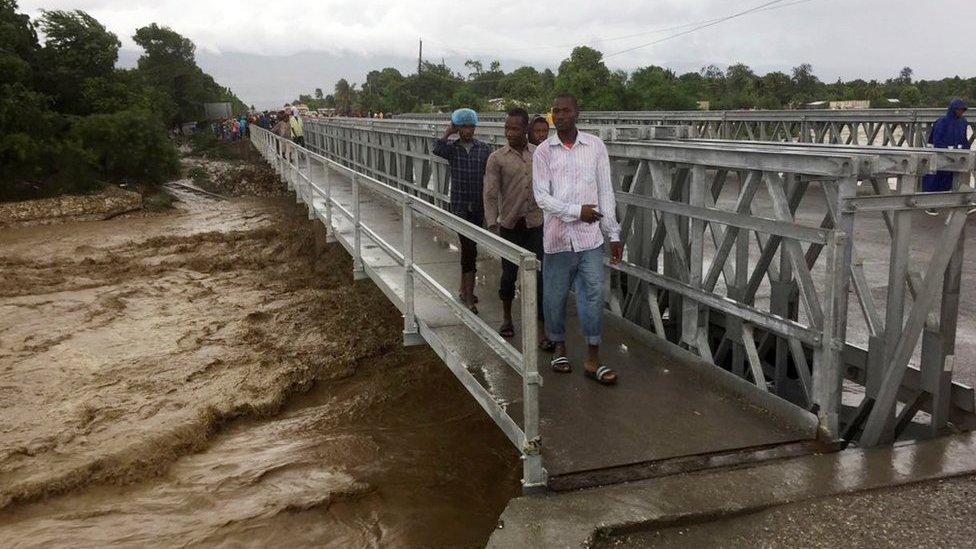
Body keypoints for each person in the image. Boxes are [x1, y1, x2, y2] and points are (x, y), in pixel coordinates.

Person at [533, 93, 622, 386]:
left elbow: (605, 190)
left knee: (594, 295)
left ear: (576, 113)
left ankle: (592, 357)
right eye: (555, 111)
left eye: (565, 111)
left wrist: (614, 232)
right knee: (554, 296)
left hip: (590, 239)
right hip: (557, 239)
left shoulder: (595, 146)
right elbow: (542, 197)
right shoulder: (544, 152)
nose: (559, 116)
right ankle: (559, 347)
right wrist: (576, 211)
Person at [484, 108, 553, 350]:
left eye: (515, 129)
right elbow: (491, 193)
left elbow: (552, 186)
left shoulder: (539, 154)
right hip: (510, 225)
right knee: (509, 275)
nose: (509, 133)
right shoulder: (497, 158)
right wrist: (492, 223)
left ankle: (542, 331)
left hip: (535, 224)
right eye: (507, 129)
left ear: (526, 130)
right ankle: (506, 318)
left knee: (540, 278)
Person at [432, 108, 492, 313]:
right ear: (458, 128)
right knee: (469, 249)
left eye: (470, 126)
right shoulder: (452, 149)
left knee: (470, 248)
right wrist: (448, 132)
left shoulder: (484, 149)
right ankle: (468, 297)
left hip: (477, 205)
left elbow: (492, 175)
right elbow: (436, 149)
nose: (468, 131)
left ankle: (464, 288)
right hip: (459, 206)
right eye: (463, 127)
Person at [922, 98, 969, 213]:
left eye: (962, 110)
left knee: (949, 179)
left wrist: (967, 151)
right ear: (953, 109)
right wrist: (947, 151)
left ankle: (950, 201)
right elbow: (937, 140)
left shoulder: (963, 122)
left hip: (956, 155)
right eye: (958, 109)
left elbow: (964, 138)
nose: (960, 112)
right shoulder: (941, 121)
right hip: (939, 155)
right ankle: (929, 204)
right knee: (934, 179)